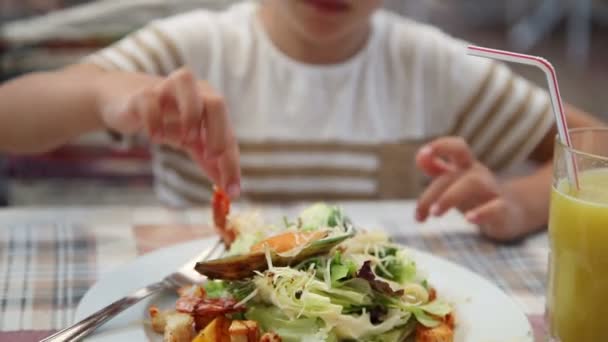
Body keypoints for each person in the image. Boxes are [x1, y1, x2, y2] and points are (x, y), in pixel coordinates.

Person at [0, 0, 600, 241]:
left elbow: (596, 148)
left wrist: (519, 203)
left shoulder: (432, 65)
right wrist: (103, 90)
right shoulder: (195, 45)